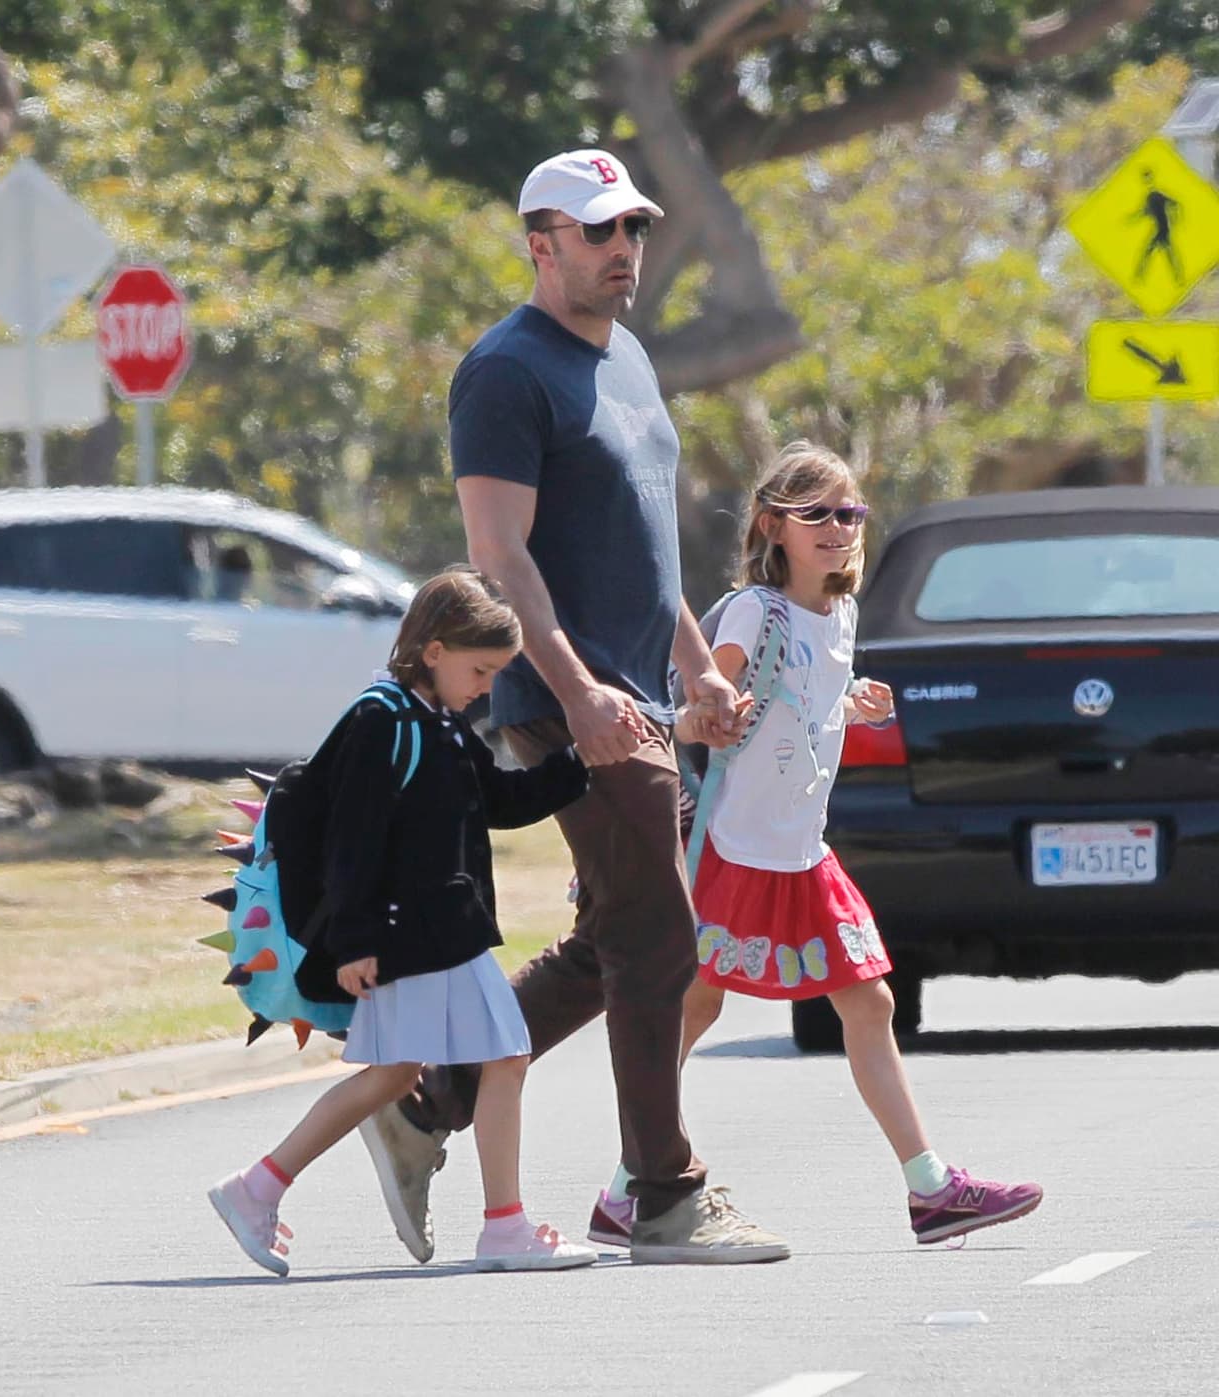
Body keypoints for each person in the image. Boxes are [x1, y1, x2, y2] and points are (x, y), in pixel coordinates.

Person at [359, 149, 790, 1266]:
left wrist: (697, 667)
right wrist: (577, 689)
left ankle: (422, 1106)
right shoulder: (505, 372)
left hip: (636, 693)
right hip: (564, 700)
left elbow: (644, 557)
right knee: (659, 936)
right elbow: (497, 555)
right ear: (537, 243)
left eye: (632, 230)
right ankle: (664, 1193)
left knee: (616, 935)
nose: (621, 250)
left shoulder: (631, 359)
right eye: (597, 231)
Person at [590, 441, 1044, 1249]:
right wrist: (707, 713)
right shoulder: (750, 613)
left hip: (803, 852)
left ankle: (931, 1190)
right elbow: (701, 707)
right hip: (734, 849)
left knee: (869, 1002)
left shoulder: (842, 613)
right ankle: (630, 1187)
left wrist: (852, 705)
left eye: (850, 512)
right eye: (818, 515)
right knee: (693, 1008)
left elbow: (802, 711)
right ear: (773, 526)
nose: (839, 528)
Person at [207, 566, 597, 1275]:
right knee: (502, 1053)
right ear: (434, 649)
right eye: (481, 669)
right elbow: (352, 841)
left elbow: (501, 802)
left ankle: (255, 1186)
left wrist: (579, 760)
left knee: (395, 1075)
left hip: (440, 928)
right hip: (409, 935)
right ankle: (503, 1225)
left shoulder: (441, 723)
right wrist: (354, 940)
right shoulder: (380, 720)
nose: (486, 686)